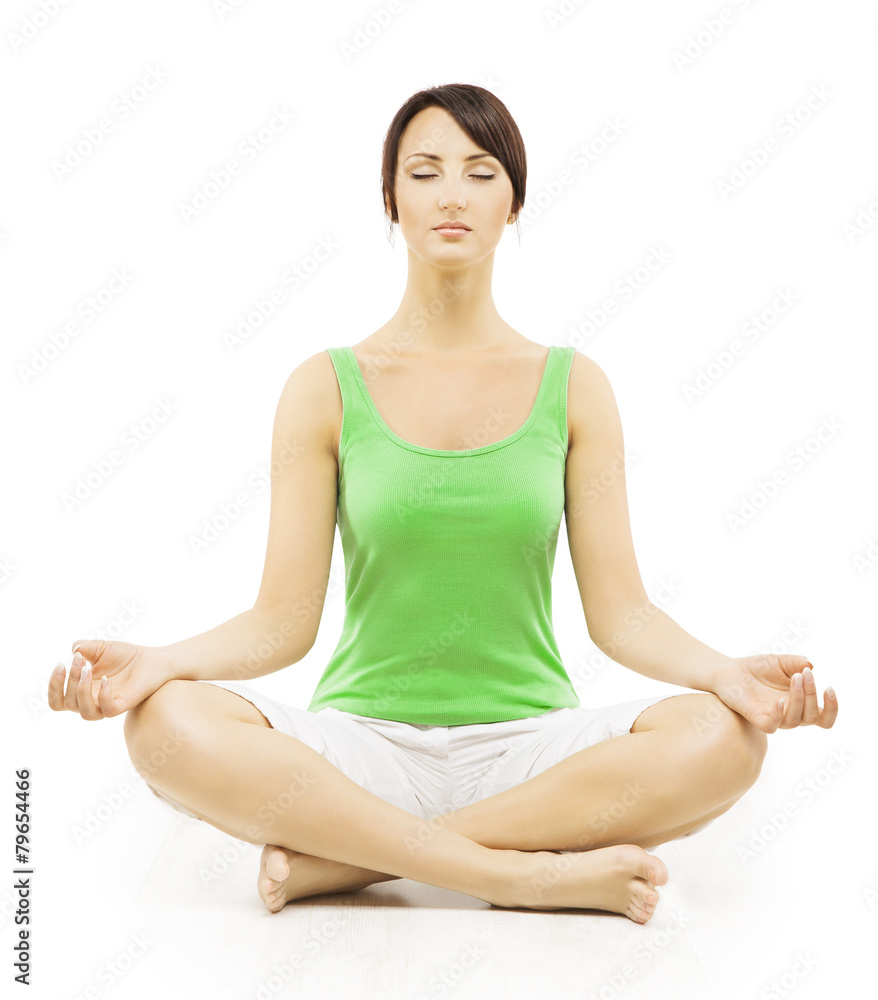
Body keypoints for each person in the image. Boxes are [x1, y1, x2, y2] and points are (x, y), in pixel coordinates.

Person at [48, 83, 838, 924]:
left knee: (725, 739)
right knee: (164, 725)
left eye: (480, 171)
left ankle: (351, 861)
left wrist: (724, 674)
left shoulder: (575, 386)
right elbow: (283, 622)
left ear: (515, 201)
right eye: (425, 173)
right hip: (359, 752)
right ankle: (515, 875)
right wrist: (162, 662)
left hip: (535, 754)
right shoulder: (323, 388)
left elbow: (623, 616)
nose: (453, 194)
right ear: (391, 199)